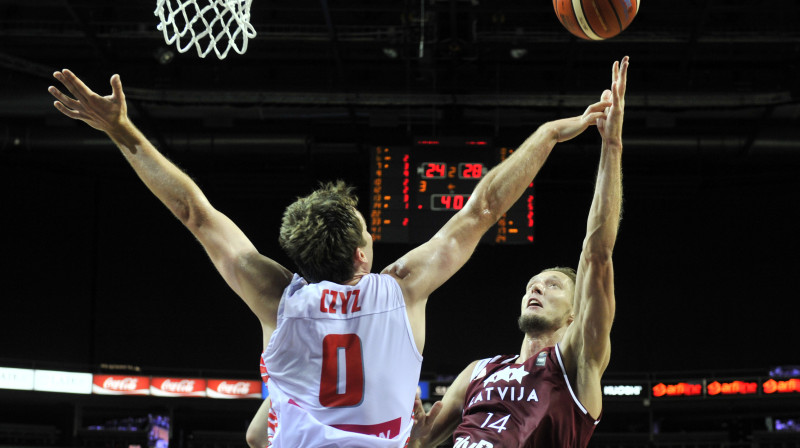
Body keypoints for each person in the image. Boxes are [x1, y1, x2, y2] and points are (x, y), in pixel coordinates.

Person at [48, 67, 612, 448]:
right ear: (363, 253)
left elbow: (194, 212)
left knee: (260, 430)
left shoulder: (277, 296)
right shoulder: (401, 287)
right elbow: (484, 207)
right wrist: (547, 134)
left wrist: (122, 130)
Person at [410, 56, 629, 448]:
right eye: (533, 284)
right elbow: (419, 439)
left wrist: (611, 145)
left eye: (552, 285)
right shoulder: (479, 370)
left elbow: (597, 253)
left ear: (576, 311)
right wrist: (410, 421)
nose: (537, 288)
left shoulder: (577, 365)